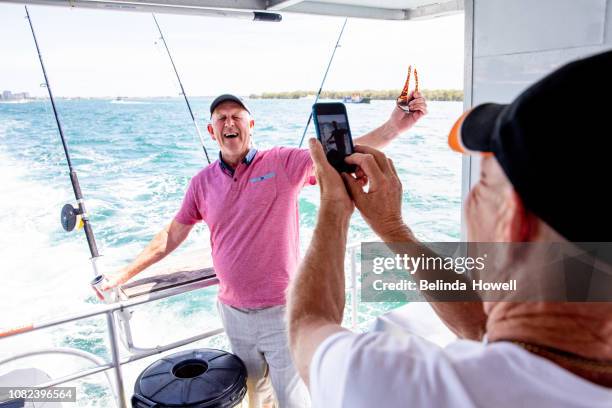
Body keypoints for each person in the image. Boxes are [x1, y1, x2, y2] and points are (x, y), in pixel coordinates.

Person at [288, 50, 612, 407]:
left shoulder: (411, 388)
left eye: (485, 182)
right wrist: (392, 228)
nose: (472, 198)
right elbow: (481, 329)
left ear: (512, 219)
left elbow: (307, 325)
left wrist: (335, 208)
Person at [103, 92, 428, 407]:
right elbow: (171, 235)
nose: (230, 123)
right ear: (211, 130)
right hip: (232, 313)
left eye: (237, 117)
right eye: (222, 118)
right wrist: (121, 276)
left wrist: (394, 127)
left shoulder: (282, 162)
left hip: (283, 312)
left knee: (293, 398)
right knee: (255, 394)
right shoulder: (201, 183)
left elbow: (340, 156)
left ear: (251, 124)